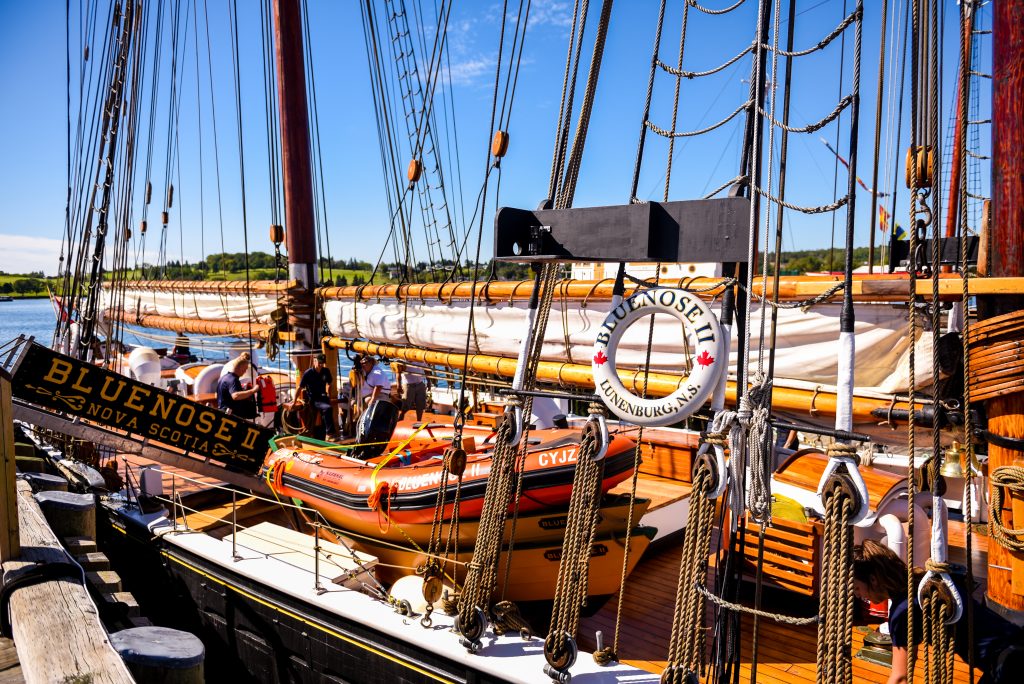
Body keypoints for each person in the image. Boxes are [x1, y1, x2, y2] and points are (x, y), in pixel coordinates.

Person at [853, 539, 1024, 684]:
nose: (857, 595)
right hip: (1014, 642)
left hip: (1007, 663)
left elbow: (900, 677)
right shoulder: (923, 581)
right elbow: (908, 662)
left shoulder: (901, 612)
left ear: (873, 580)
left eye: (857, 588)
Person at [299, 353, 338, 441]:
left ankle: (326, 433)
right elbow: (300, 387)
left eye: (322, 363)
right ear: (314, 361)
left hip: (323, 397)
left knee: (328, 410)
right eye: (319, 362)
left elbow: (329, 383)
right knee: (327, 408)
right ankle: (329, 433)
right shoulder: (308, 373)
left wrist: (329, 395)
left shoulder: (326, 371)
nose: (321, 365)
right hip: (314, 399)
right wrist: (294, 401)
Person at [217, 352, 258, 419]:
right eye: (245, 369)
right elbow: (235, 396)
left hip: (222, 411)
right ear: (241, 367)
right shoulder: (233, 380)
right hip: (230, 416)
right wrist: (253, 390)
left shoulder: (224, 377)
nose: (245, 371)